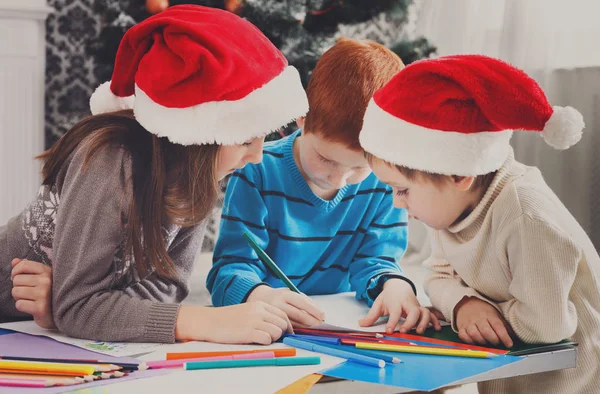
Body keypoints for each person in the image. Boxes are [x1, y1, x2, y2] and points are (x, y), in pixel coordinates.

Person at [1, 5, 309, 345]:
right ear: (199, 133)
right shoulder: (110, 158)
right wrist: (204, 321)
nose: (256, 156)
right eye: (246, 140)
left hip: (30, 332)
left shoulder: (197, 177)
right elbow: (79, 308)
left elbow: (168, 287)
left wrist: (68, 307)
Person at [360, 54, 600, 393]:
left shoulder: (526, 216)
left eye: (402, 190)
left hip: (571, 383)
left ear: (460, 174)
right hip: (512, 375)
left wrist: (480, 313)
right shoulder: (449, 206)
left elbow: (546, 324)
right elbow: (438, 275)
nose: (397, 203)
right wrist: (462, 304)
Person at [207, 38, 440, 335]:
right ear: (302, 117)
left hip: (339, 330)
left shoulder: (382, 181)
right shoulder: (257, 171)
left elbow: (376, 260)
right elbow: (229, 271)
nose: (337, 179)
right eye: (326, 158)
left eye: (358, 167)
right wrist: (259, 296)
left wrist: (393, 286)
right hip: (266, 328)